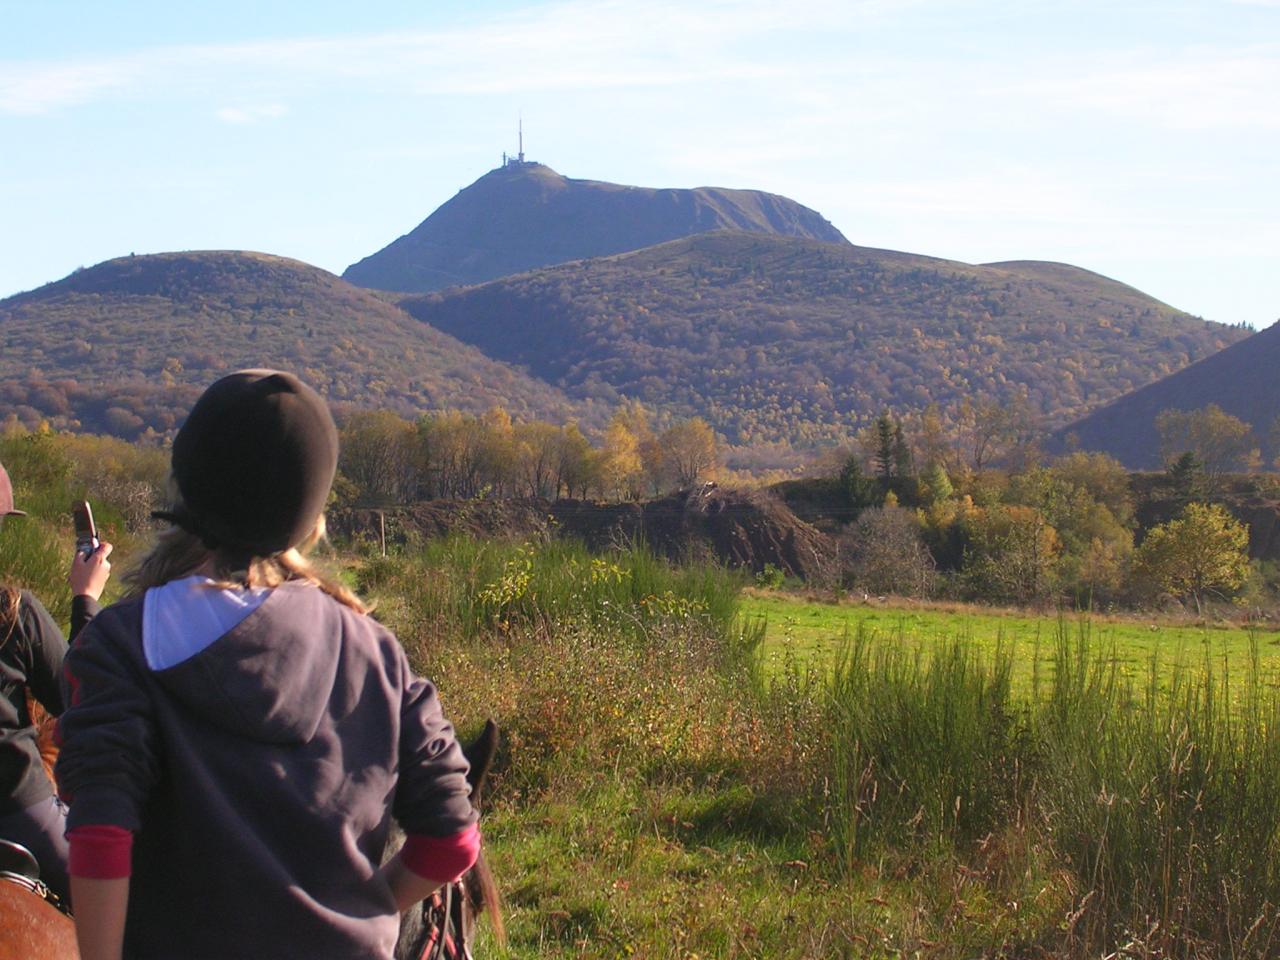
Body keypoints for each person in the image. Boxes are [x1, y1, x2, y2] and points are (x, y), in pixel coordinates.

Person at [55, 370, 479, 960]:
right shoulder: (377, 653)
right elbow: (454, 841)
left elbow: (101, 834)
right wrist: (367, 907)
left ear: (187, 488)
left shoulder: (123, 645)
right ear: (310, 516)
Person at [0, 458, 113, 905]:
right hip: (15, 811)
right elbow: (86, 702)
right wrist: (86, 599)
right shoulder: (12, 613)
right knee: (134, 908)